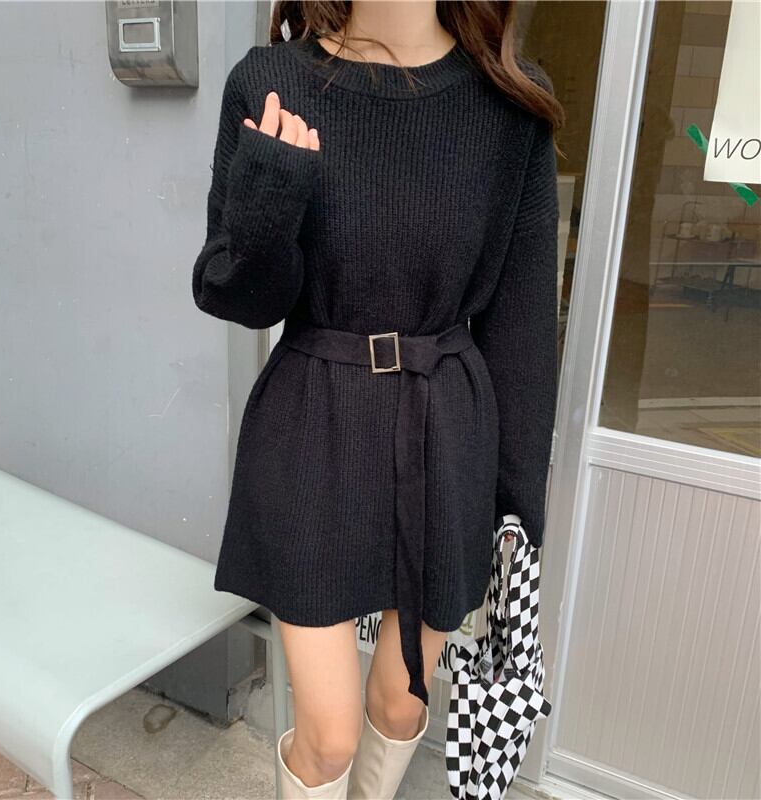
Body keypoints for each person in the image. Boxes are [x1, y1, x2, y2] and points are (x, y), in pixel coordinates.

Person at [191, 1, 564, 797]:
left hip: (445, 428)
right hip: (313, 423)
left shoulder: (509, 105)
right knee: (327, 737)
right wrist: (272, 194)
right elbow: (236, 296)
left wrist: (518, 506)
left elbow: (524, 328)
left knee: (400, 703)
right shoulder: (273, 82)